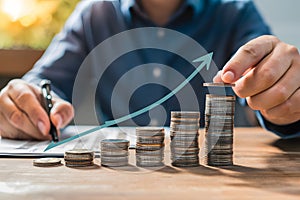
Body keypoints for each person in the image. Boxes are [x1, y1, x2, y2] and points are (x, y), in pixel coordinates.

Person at [0, 0, 299, 141]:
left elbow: (268, 84)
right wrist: (24, 103)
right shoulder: (94, 14)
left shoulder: (236, 12)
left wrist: (282, 98)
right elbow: (43, 86)